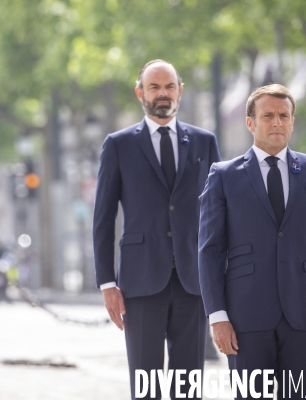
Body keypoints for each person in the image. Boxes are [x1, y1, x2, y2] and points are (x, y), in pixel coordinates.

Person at [198, 84, 306, 399]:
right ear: (250, 123)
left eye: (284, 115)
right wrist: (217, 317)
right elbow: (210, 252)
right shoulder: (224, 175)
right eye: (268, 115)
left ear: (293, 122)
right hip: (244, 316)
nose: (277, 122)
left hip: (305, 315)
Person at [93, 59, 220, 399]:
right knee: (146, 386)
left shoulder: (204, 143)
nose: (162, 94)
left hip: (193, 282)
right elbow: (103, 218)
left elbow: (217, 215)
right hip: (140, 281)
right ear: (140, 93)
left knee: (188, 387)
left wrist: (220, 276)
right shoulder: (118, 145)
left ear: (180, 91)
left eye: (169, 86)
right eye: (154, 87)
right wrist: (107, 283)